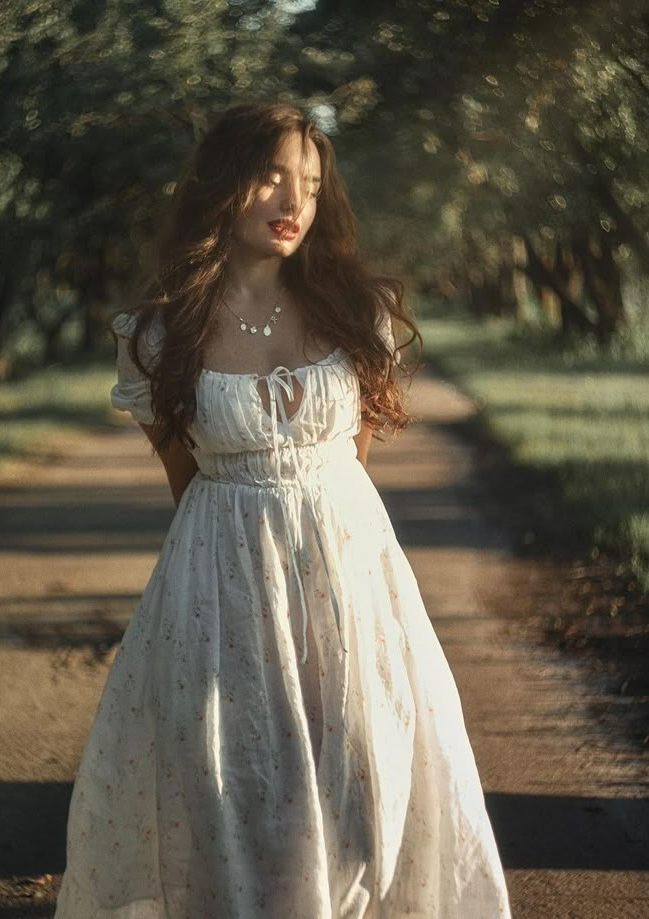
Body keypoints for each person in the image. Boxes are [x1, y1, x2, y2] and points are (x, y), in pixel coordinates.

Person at [54, 102, 512, 918]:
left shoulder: (353, 312)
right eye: (270, 175)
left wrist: (322, 562)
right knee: (237, 795)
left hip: (349, 575)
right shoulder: (159, 335)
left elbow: (351, 468)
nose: (291, 200)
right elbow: (183, 477)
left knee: (366, 787)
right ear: (222, 183)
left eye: (307, 181)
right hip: (219, 580)